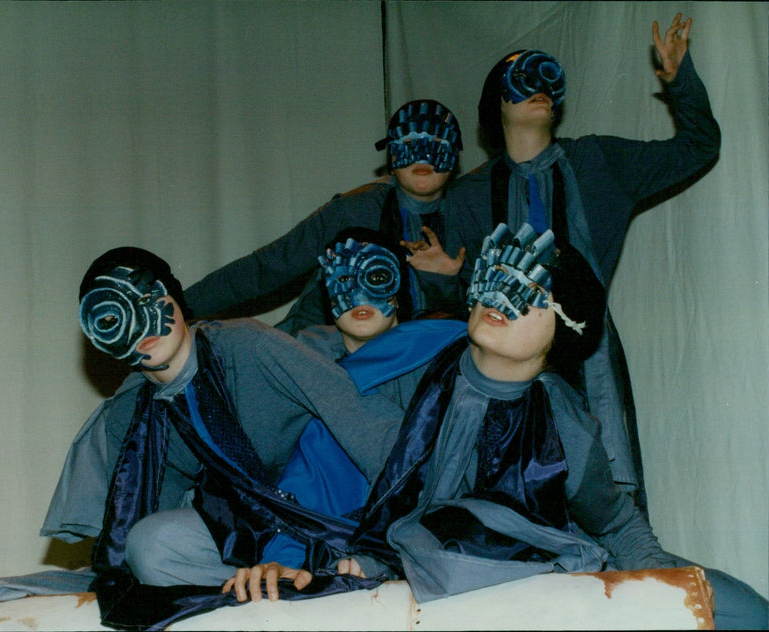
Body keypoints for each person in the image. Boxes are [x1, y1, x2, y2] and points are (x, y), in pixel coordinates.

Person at [342, 224, 767, 630]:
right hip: (426, 571)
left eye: (532, 293)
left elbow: (614, 522)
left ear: (563, 331)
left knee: (744, 610)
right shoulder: (412, 364)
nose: (502, 297)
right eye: (500, 276)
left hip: (551, 572)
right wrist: (368, 559)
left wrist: (662, 586)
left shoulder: (560, 415)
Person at [41, 246, 409, 629]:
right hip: (247, 529)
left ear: (177, 299)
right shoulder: (133, 415)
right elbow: (147, 523)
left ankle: (323, 572)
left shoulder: (249, 346)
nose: (143, 325)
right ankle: (261, 586)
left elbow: (371, 432)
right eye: (113, 315)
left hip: (335, 503)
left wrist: (380, 548)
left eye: (150, 298)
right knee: (149, 544)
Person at [444, 13, 722, 510]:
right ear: (496, 102)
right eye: (524, 79)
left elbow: (698, 148)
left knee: (607, 496)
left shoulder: (597, 162)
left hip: (590, 365)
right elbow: (463, 299)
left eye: (550, 79)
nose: (541, 87)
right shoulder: (467, 197)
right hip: (502, 372)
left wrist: (681, 79)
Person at [224, 228, 467, 602]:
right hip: (295, 526)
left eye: (376, 275)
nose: (360, 295)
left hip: (415, 529)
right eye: (342, 280)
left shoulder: (445, 350)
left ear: (398, 283)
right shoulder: (296, 357)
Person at [183, 99, 467, 333]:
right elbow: (267, 267)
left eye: (436, 145)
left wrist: (442, 283)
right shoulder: (352, 211)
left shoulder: (472, 216)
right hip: (325, 353)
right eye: (410, 142)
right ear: (391, 157)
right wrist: (178, 309)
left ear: (454, 157)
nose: (422, 158)